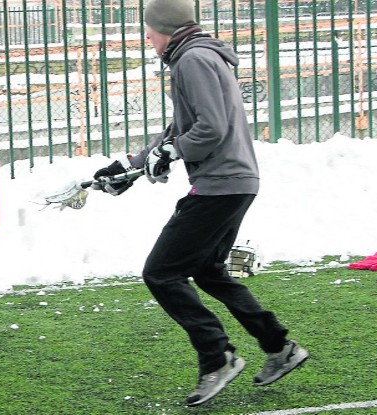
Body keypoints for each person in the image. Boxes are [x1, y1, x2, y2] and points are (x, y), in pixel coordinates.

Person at [91, 0, 308, 406]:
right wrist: (132, 165)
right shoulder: (198, 55)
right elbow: (181, 129)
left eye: (150, 31)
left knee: (161, 272)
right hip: (233, 182)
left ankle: (217, 356)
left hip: (220, 185)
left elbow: (210, 128)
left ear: (165, 29)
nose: (148, 39)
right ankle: (279, 347)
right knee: (208, 271)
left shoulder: (191, 59)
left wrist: (172, 153)